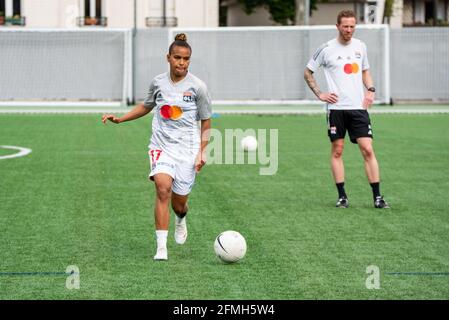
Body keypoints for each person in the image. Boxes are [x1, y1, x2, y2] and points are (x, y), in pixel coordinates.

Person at [102, 33, 212, 260]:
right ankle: (161, 247)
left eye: (186, 59)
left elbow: (206, 120)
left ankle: (181, 219)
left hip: (188, 150)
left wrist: (202, 151)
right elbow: (146, 106)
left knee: (179, 204)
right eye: (177, 57)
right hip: (161, 145)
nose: (181, 62)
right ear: (168, 57)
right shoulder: (158, 83)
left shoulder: (199, 87)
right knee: (162, 188)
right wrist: (121, 119)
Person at [304, 10, 389, 209]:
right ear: (338, 26)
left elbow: (365, 71)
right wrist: (320, 93)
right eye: (345, 26)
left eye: (352, 26)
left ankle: (377, 197)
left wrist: (370, 90)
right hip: (336, 109)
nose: (348, 30)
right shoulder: (326, 49)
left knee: (368, 149)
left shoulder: (361, 46)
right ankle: (342, 196)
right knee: (337, 150)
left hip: (359, 108)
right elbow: (308, 72)